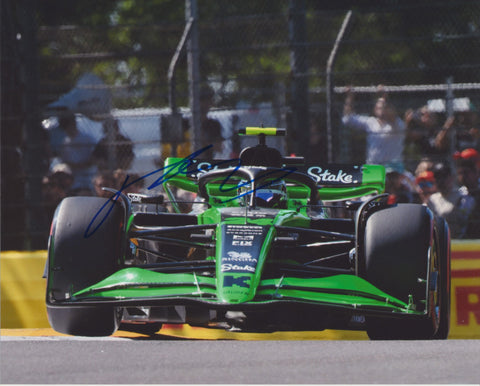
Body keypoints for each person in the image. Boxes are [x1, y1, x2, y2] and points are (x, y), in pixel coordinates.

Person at [342, 88, 406, 169]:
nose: (382, 110)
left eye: (384, 107)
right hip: (373, 165)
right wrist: (350, 97)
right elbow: (347, 119)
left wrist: (384, 97)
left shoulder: (397, 123)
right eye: (379, 108)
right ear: (375, 110)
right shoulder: (370, 122)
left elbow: (392, 116)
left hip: (393, 166)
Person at [427, 162, 475, 238]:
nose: (441, 181)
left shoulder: (463, 198)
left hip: (460, 242)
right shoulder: (432, 200)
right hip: (439, 243)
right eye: (437, 177)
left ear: (451, 177)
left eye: (444, 177)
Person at [55, 111, 97, 192]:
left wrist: (82, 165)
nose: (69, 129)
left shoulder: (87, 138)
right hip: (74, 180)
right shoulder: (65, 143)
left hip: (89, 177)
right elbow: (65, 162)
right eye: (66, 127)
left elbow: (95, 158)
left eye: (70, 125)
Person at [198, 85, 223, 159]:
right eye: (202, 100)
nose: (205, 104)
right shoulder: (186, 123)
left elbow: (219, 148)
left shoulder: (213, 124)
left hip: (206, 162)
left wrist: (204, 141)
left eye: (208, 101)